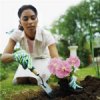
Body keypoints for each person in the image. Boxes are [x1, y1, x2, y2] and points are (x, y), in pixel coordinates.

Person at [1, 5, 59, 85]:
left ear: (37, 19)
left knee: (34, 80)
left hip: (43, 60)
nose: (30, 22)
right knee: (20, 81)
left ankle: (42, 77)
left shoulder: (46, 34)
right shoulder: (16, 34)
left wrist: (60, 72)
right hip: (28, 63)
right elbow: (3, 58)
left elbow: (55, 58)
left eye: (33, 18)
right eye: (25, 19)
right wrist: (15, 55)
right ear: (20, 22)